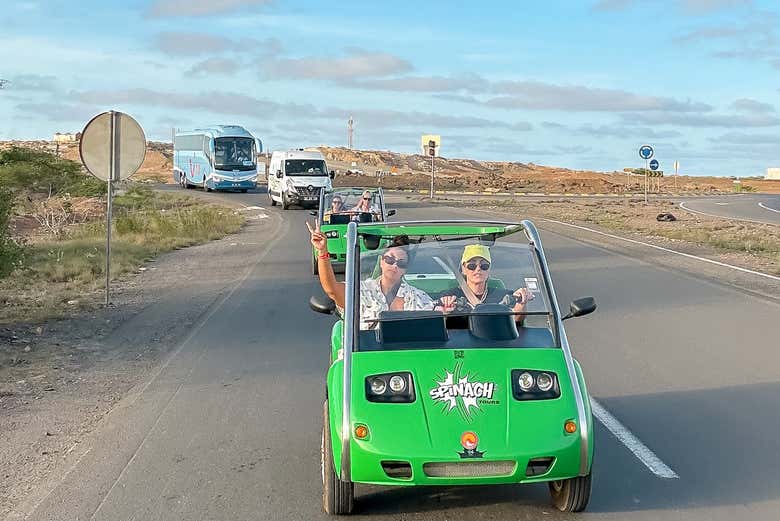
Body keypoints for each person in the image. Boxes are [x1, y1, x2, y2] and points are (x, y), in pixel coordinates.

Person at [307, 221, 435, 329]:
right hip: (363, 354)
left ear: (405, 270)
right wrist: (322, 251)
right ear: (381, 262)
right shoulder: (361, 291)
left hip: (406, 355)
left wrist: (446, 309)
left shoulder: (418, 296)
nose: (394, 265)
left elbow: (435, 325)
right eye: (390, 260)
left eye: (401, 263)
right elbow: (332, 289)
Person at [436, 244, 533, 323]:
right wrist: (444, 312)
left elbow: (516, 320)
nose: (478, 269)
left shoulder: (505, 296)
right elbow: (440, 327)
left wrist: (521, 302)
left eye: (484, 265)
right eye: (472, 265)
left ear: (489, 269)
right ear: (463, 269)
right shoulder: (448, 296)